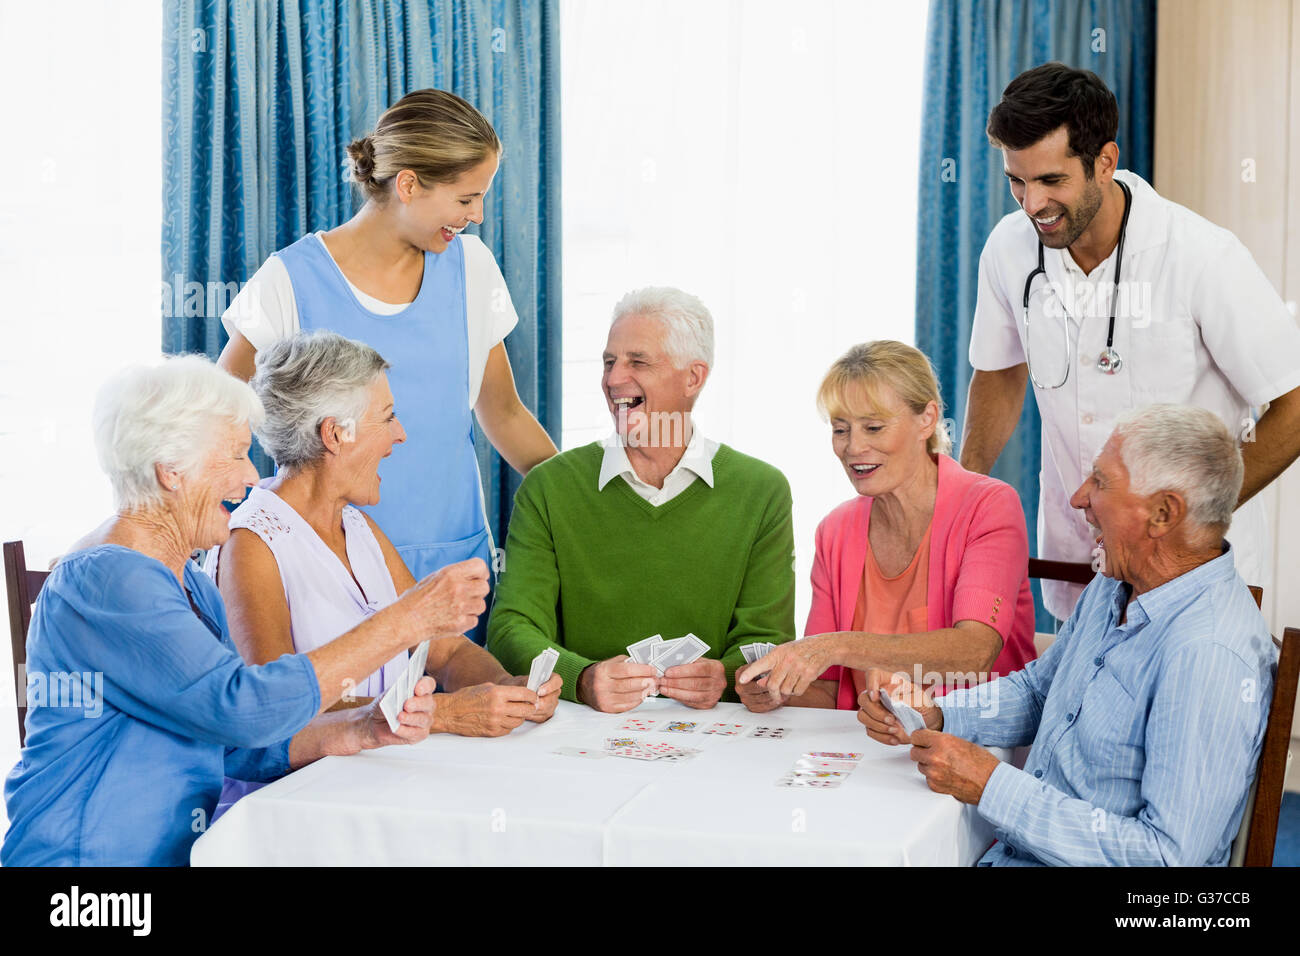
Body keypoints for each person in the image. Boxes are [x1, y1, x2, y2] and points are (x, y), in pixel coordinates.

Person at [2, 355, 488, 866]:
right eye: (234, 455)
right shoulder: (109, 579)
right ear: (172, 471)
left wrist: (362, 727)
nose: (252, 475)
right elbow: (243, 706)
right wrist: (406, 619)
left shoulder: (185, 579)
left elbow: (233, 739)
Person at [860, 405, 1275, 867]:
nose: (1078, 498)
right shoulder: (1117, 582)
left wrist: (993, 785)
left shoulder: (1208, 655)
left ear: (1162, 513)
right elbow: (1041, 690)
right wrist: (937, 712)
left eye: (1100, 481)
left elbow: (1164, 858)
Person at [961, 62, 1300, 622]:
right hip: (1081, 564)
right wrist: (963, 496)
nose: (1031, 204)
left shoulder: (1201, 256)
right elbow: (999, 372)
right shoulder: (1009, 249)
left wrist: (1192, 517)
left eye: (1051, 181)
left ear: (1105, 162)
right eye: (1016, 181)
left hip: (1194, 568)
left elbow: (1293, 403)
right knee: (1079, 707)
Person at [216, 88, 557, 640]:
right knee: (348, 719)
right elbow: (216, 417)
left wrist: (586, 504)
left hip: (453, 566)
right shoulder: (287, 281)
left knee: (465, 712)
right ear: (408, 184)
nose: (477, 216)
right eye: (466, 199)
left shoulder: (472, 268)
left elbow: (505, 413)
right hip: (328, 577)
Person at [212, 331, 561, 741]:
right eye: (387, 416)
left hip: (381, 770)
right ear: (335, 433)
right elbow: (274, 706)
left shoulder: (357, 526)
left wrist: (506, 686)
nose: (400, 434)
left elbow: (444, 649)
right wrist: (444, 712)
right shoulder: (250, 545)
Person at [486, 287, 796, 713]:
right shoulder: (549, 487)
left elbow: (767, 640)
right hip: (580, 733)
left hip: (714, 737)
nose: (613, 380)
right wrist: (583, 678)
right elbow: (511, 628)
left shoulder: (761, 491)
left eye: (637, 362)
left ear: (694, 377)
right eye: (609, 362)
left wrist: (723, 677)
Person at [735, 341, 1035, 713]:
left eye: (873, 428)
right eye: (841, 430)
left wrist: (836, 646)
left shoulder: (988, 506)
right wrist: (775, 691)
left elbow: (975, 653)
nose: (853, 447)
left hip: (973, 745)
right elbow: (829, 691)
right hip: (867, 749)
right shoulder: (836, 530)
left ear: (927, 419)